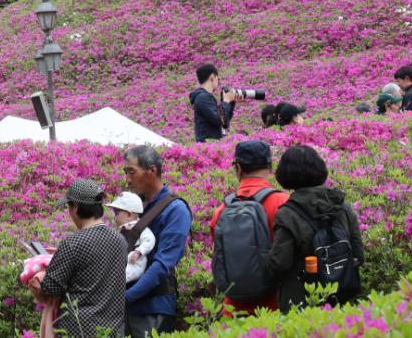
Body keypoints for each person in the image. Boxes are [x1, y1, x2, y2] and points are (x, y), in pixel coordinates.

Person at [265, 145, 365, 313]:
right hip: (340, 294)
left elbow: (279, 263)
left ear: (285, 173)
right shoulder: (342, 206)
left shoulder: (287, 214)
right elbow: (358, 254)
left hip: (301, 301)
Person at [28, 179, 126, 338]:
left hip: (78, 329)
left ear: (76, 206)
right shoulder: (119, 240)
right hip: (112, 330)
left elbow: (51, 288)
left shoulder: (73, 244)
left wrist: (45, 265)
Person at [209, 141, 289, 316]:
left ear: (238, 167)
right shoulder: (284, 203)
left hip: (234, 309)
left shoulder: (222, 210)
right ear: (271, 166)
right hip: (275, 308)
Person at [122, 146, 191, 336]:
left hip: (153, 308)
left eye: (132, 172)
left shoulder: (175, 210)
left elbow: (162, 265)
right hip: (125, 308)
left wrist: (126, 298)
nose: (127, 180)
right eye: (125, 172)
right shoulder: (134, 207)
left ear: (152, 171)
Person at [109, 192, 156, 285]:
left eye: (116, 214)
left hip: (135, 264)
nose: (114, 218)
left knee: (118, 279)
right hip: (126, 262)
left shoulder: (140, 228)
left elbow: (150, 240)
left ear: (129, 215)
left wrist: (138, 251)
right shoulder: (123, 229)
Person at [189, 63, 239, 142]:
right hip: (207, 145)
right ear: (212, 77)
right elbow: (217, 119)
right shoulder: (202, 97)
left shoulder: (207, 97)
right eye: (217, 78)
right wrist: (226, 101)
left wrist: (230, 103)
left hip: (214, 144)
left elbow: (224, 122)